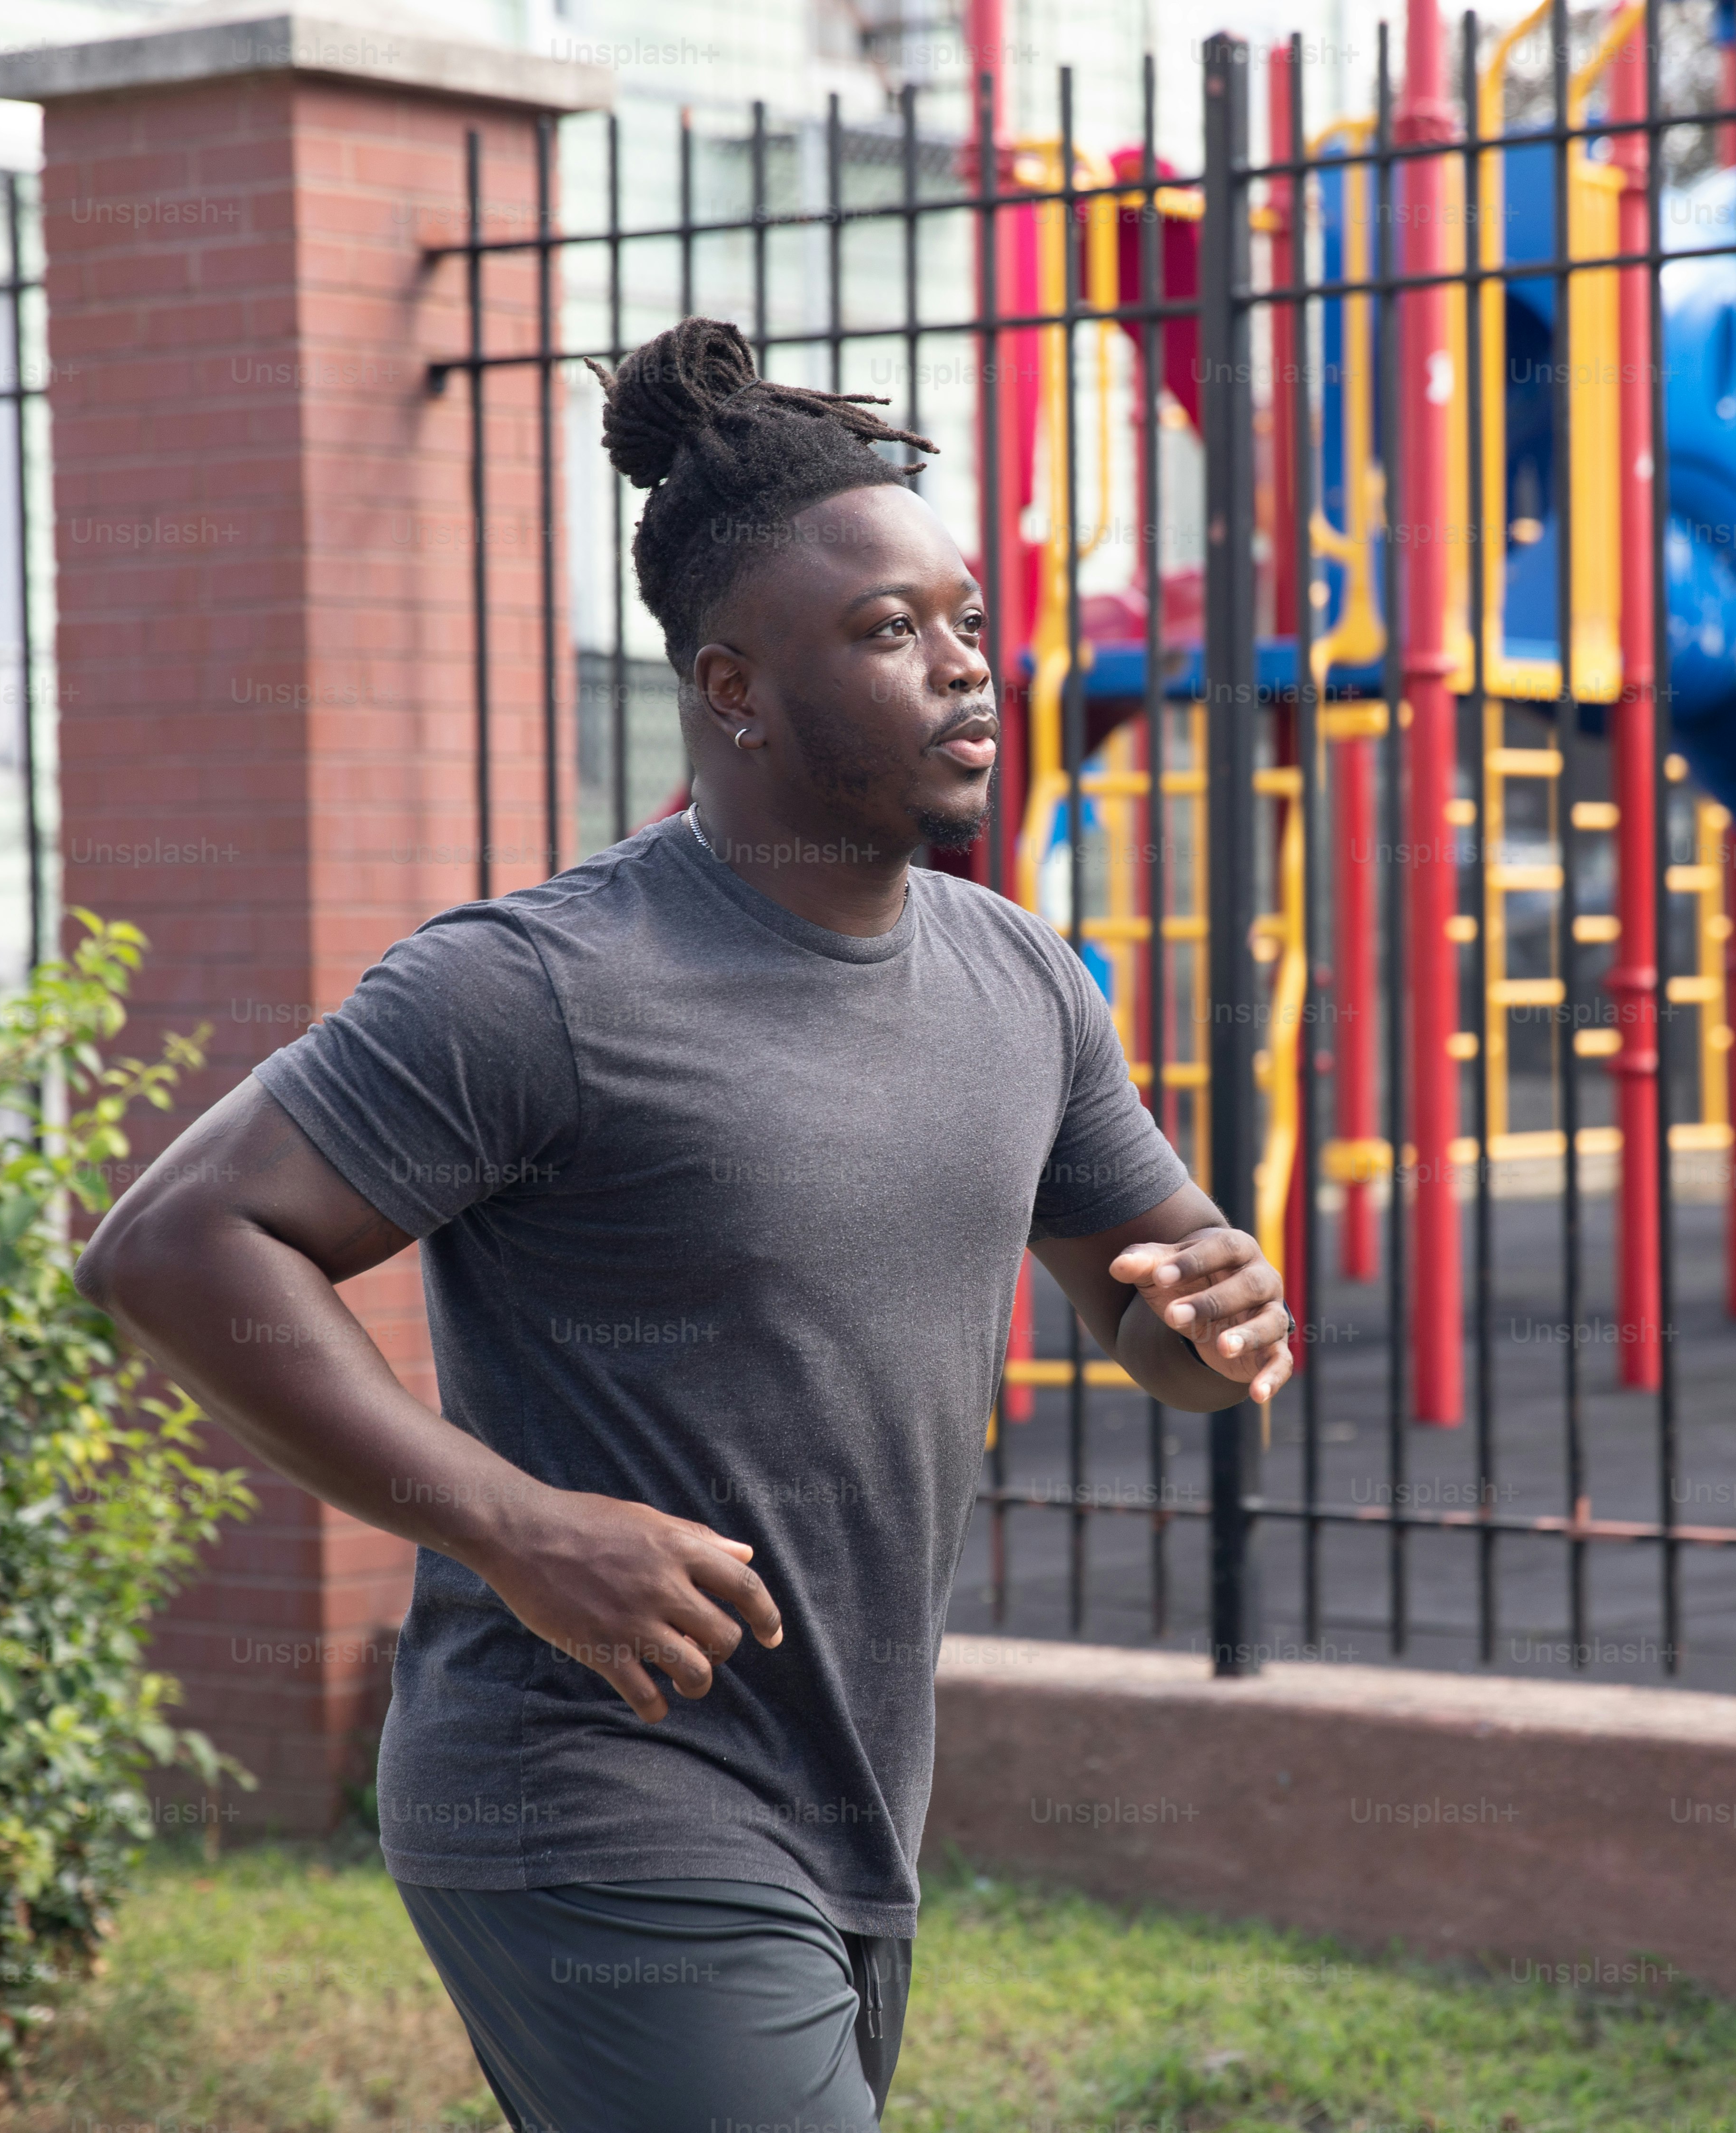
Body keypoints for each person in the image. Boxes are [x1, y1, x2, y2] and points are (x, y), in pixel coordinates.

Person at [75, 314, 1297, 2133]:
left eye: (965, 621)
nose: (966, 673)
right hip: (583, 1797)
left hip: (853, 1801)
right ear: (732, 690)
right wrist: (519, 1530)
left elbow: (1163, 1325)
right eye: (890, 636)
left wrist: (1212, 1335)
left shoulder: (1023, 981)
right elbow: (170, 1247)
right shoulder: (544, 984)